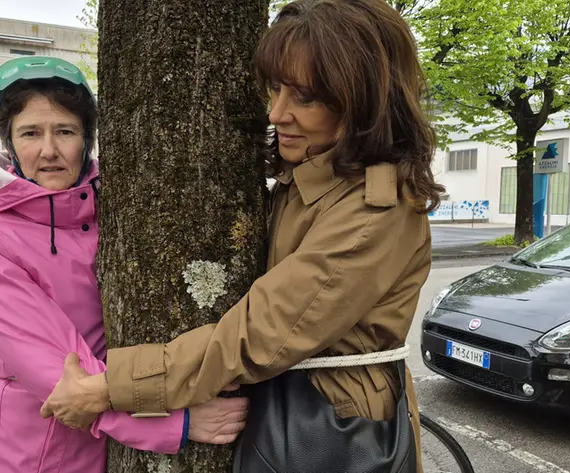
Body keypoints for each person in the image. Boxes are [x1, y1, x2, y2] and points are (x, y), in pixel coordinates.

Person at [39, 1, 446, 472]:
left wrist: (109, 388)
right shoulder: (309, 180)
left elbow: (258, 334)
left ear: (366, 101)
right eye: (275, 89)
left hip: (334, 430)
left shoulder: (373, 210)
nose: (276, 113)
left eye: (306, 97)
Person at [0, 56, 248, 473]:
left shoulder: (115, 214)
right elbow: (58, 375)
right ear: (10, 144)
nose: (49, 150)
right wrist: (175, 424)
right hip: (35, 450)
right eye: (30, 133)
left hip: (104, 446)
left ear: (87, 140)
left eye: (65, 131)